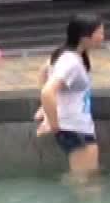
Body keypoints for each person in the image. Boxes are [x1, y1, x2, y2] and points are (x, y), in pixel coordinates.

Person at [36, 13, 105, 182]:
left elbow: (43, 71)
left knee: (84, 178)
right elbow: (47, 91)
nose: (103, 37)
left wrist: (45, 110)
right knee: (87, 182)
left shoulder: (65, 54)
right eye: (99, 32)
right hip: (75, 129)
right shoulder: (71, 62)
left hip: (75, 127)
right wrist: (53, 124)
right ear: (85, 37)